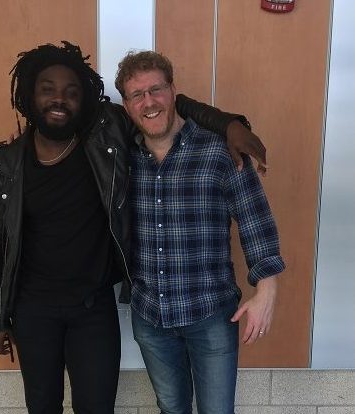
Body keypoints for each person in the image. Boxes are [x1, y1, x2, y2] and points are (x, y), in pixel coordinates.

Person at [0, 41, 268, 414]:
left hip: (93, 309)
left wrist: (229, 124)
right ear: (29, 94)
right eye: (47, 89)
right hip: (33, 310)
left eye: (71, 92)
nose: (59, 99)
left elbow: (161, 105)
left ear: (84, 99)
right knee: (42, 405)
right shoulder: (5, 164)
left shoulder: (106, 136)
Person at [114, 50, 285, 414]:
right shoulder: (121, 159)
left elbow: (256, 220)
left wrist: (266, 290)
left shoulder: (219, 150)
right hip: (151, 317)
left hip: (210, 314)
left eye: (156, 89)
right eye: (136, 95)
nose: (149, 102)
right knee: (171, 408)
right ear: (127, 105)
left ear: (174, 90)